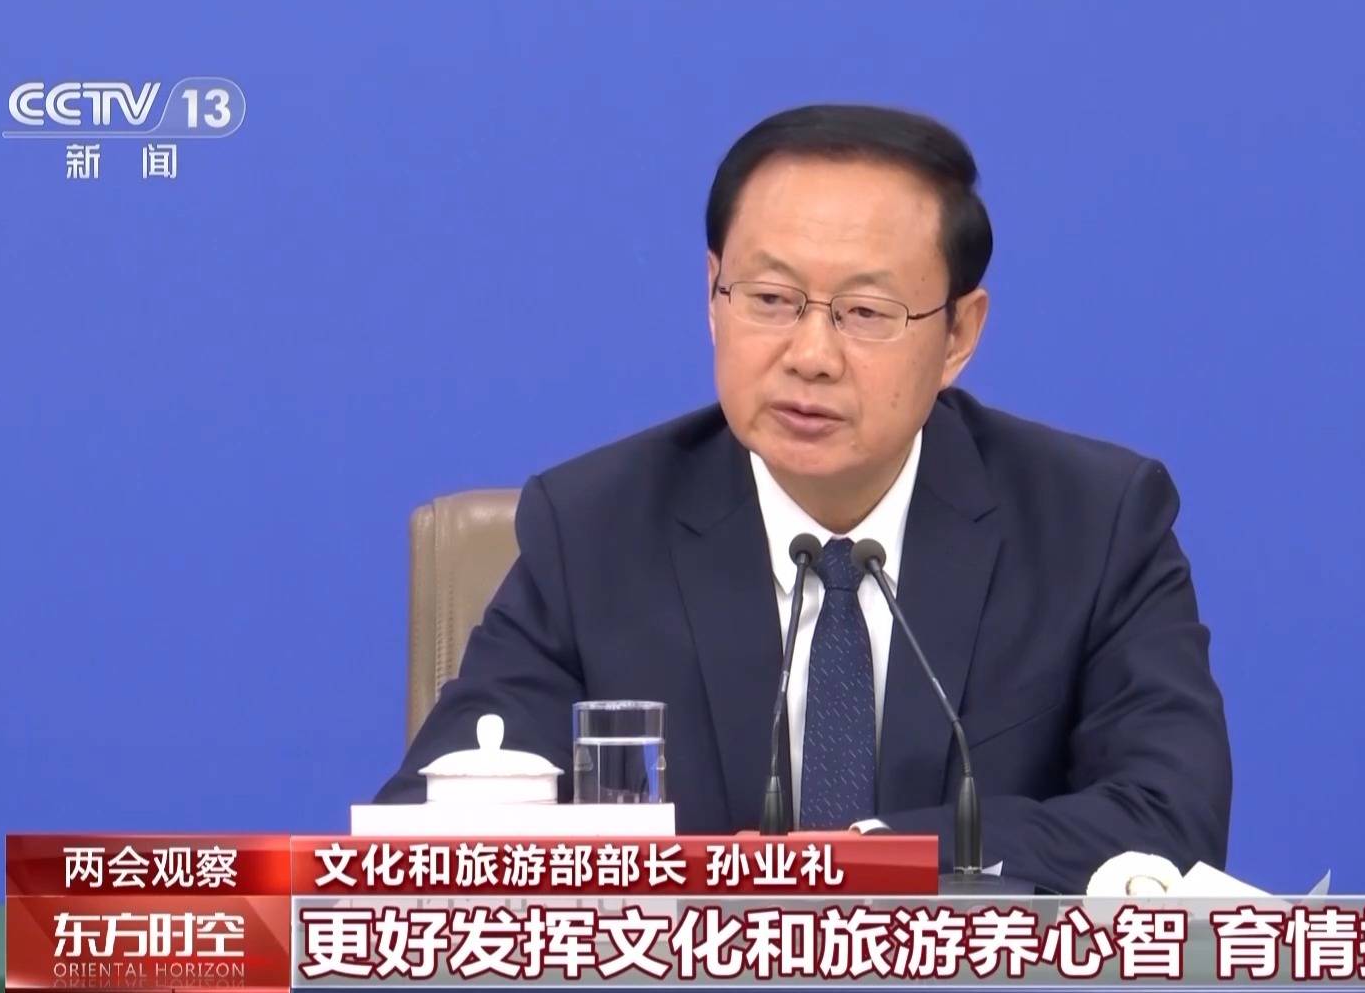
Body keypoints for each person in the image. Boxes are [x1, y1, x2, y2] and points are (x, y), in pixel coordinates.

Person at [376, 104, 1230, 894]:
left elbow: (1168, 816)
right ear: (714, 297)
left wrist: (861, 859)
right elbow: (426, 833)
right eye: (771, 300)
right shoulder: (594, 530)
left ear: (958, 334)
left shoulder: (1093, 524)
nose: (810, 355)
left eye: (865, 311)